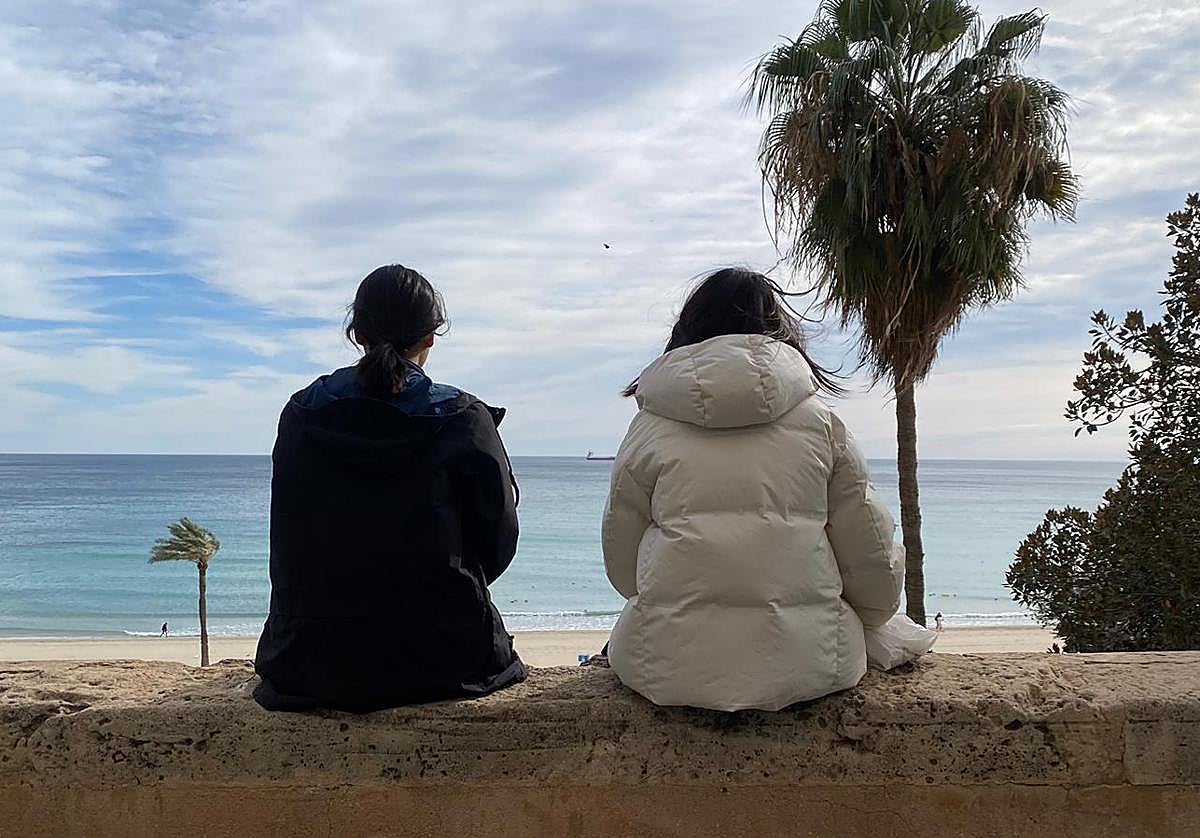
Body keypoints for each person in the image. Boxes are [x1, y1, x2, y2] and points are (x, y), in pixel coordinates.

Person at [602, 267, 904, 711]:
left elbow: (623, 566)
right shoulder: (821, 423)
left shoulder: (648, 428)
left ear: (687, 329)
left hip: (665, 665)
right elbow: (870, 557)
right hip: (813, 663)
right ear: (779, 328)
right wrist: (871, 619)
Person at [254, 265, 526, 712]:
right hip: (448, 656)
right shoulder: (462, 418)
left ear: (357, 332)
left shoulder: (302, 413)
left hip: (308, 660)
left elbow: (289, 535)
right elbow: (498, 540)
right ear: (430, 338)